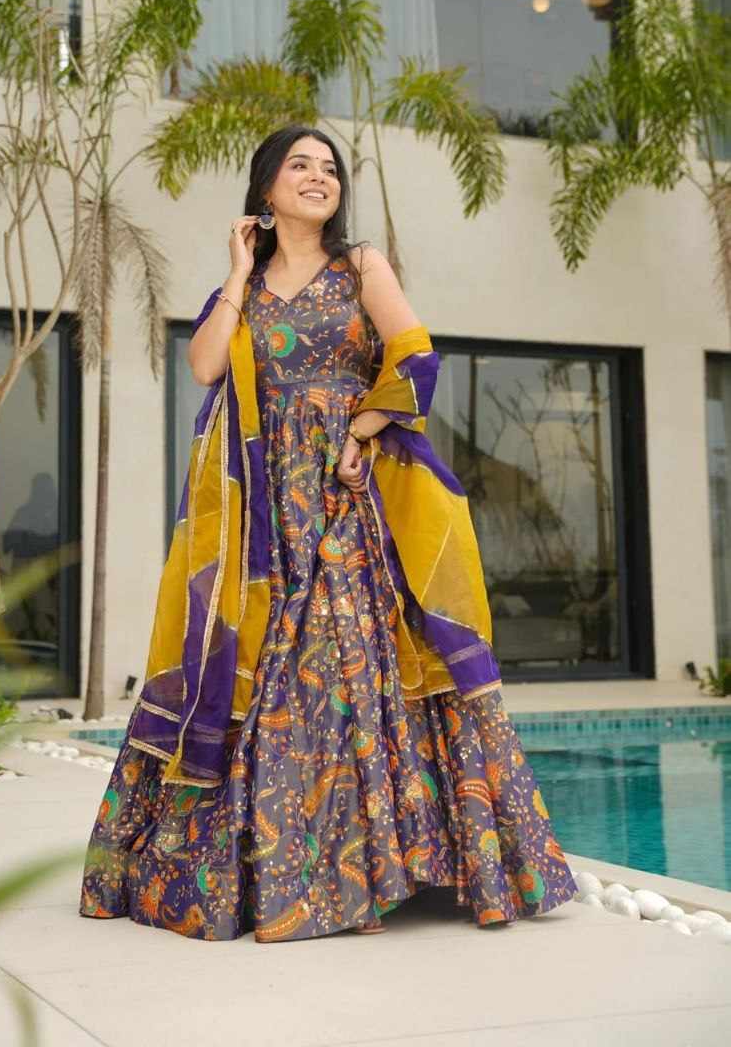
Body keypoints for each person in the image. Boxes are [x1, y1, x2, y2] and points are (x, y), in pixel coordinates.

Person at [79, 124, 577, 942]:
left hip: (348, 500)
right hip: (262, 512)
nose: (319, 178)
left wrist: (364, 427)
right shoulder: (245, 285)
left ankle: (365, 875)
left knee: (341, 662)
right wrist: (237, 272)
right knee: (269, 668)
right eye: (299, 166)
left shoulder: (361, 266)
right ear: (265, 190)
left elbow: (414, 355)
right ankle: (303, 876)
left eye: (330, 169)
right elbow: (204, 366)